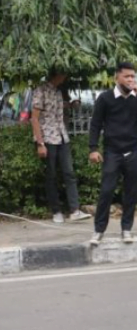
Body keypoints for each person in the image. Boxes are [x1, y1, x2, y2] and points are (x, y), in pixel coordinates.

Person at [88, 62, 137, 245]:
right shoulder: (105, 98)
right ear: (117, 77)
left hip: (133, 150)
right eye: (127, 76)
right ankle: (99, 230)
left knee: (131, 192)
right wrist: (93, 148)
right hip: (112, 152)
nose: (131, 80)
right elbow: (95, 124)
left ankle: (126, 229)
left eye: (133, 76)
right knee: (106, 191)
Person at [31, 72, 91, 224]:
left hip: (62, 136)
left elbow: (56, 109)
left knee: (69, 172)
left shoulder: (58, 91)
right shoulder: (40, 90)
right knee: (51, 176)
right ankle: (56, 211)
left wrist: (70, 105)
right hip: (48, 138)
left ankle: (74, 210)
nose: (65, 77)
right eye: (63, 75)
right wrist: (40, 143)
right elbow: (35, 119)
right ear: (55, 75)